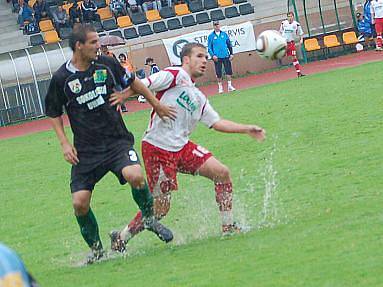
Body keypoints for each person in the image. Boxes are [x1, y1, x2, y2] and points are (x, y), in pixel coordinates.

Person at [108, 43, 266, 252]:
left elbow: (217, 123)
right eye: (199, 56)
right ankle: (121, 238)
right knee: (161, 208)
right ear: (186, 60)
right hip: (158, 148)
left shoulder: (198, 97)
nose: (204, 61)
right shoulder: (174, 75)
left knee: (222, 173)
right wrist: (124, 95)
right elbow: (142, 83)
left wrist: (246, 129)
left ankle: (228, 227)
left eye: (206, 57)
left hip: (181, 148)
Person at [44, 24, 177, 264]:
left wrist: (153, 104)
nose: (99, 46)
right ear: (79, 46)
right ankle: (96, 251)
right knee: (79, 203)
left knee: (135, 175)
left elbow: (134, 82)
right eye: (94, 42)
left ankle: (149, 220)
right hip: (86, 151)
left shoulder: (106, 64)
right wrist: (64, 144)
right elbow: (53, 112)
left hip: (116, 142)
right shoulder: (61, 78)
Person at [207, 21, 236, 94]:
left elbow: (229, 44)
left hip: (225, 55)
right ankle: (220, 87)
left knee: (228, 71)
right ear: (213, 26)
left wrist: (231, 53)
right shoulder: (211, 36)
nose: (216, 26)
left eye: (217, 24)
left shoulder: (224, 34)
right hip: (217, 57)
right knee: (218, 72)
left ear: (220, 25)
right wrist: (213, 55)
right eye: (215, 25)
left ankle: (229, 86)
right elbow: (209, 47)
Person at [279, 11, 305, 77]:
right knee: (280, 55)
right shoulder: (283, 23)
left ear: (293, 17)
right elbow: (280, 32)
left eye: (291, 16)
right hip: (284, 43)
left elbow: (301, 33)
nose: (289, 18)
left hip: (291, 43)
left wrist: (301, 39)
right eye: (288, 16)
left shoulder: (296, 24)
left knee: (294, 57)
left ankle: (299, 72)